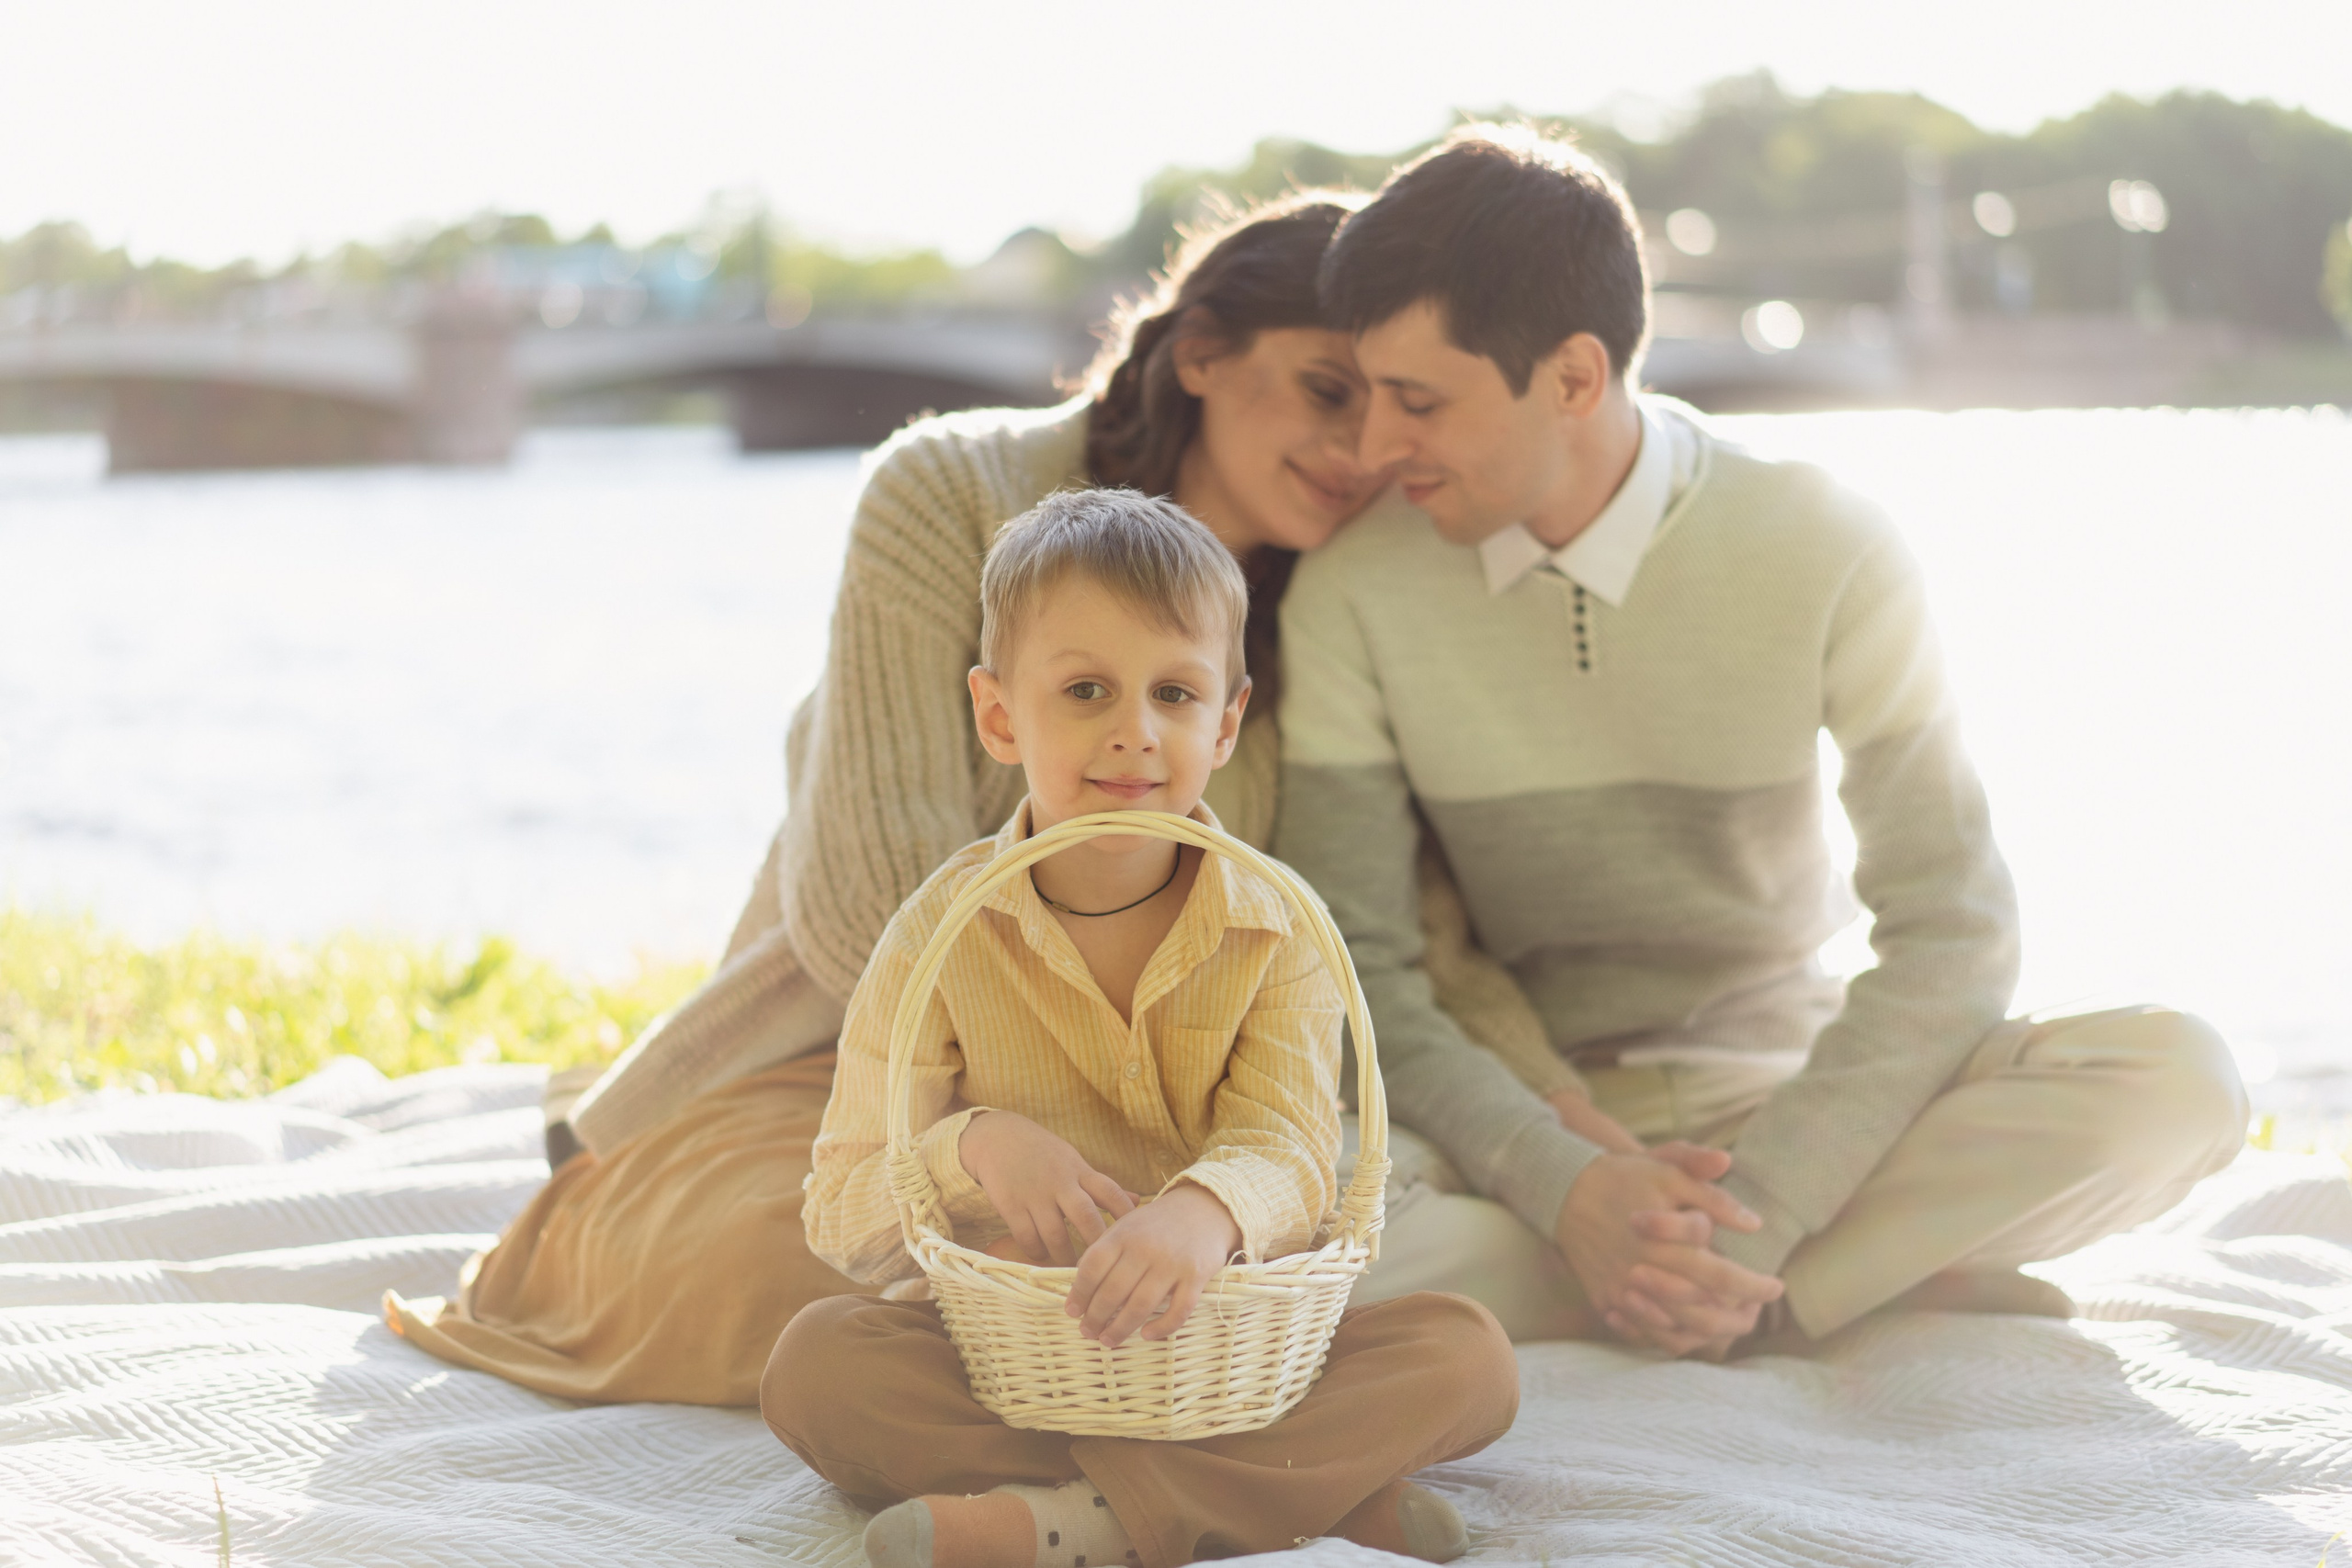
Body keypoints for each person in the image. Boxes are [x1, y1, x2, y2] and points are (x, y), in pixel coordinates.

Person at [386, 191, 1568, 1402]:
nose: (1364, 451)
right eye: (1328, 390)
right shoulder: (950, 490)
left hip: (1158, 1117)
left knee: (1319, 1258)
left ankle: (1093, 1504)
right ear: (1202, 352)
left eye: (1390, 413)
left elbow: (1388, 934)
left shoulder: (1327, 603)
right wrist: (1009, 1149)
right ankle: (1211, 1458)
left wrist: (1573, 1138)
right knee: (826, 1285)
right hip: (859, 1066)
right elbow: (865, 898)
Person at [1279, 125, 2250, 1357]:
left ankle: (1701, 1283)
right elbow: (1357, 959)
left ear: (1574, 378)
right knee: (1286, 1218)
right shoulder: (1356, 589)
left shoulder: (1828, 538)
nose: (1372, 451)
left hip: (1800, 1090)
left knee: (2180, 1082)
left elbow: (1955, 927)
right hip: (1529, 1106)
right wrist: (1566, 1179)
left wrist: (1765, 1208)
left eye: (1419, 402)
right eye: (1368, 399)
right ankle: (1834, 1280)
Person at [764, 490, 1516, 1568]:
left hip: (1234, 1359)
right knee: (819, 1366)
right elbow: (841, 1207)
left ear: (1226, 720)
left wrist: (1206, 1213)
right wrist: (970, 1149)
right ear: (998, 716)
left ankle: (1070, 1522)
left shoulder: (1277, 923)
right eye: (1084, 690)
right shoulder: (938, 930)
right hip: (1018, 1356)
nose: (1134, 732)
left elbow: (1295, 1148)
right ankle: (1300, 1501)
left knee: (1467, 1356)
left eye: (1174, 692)